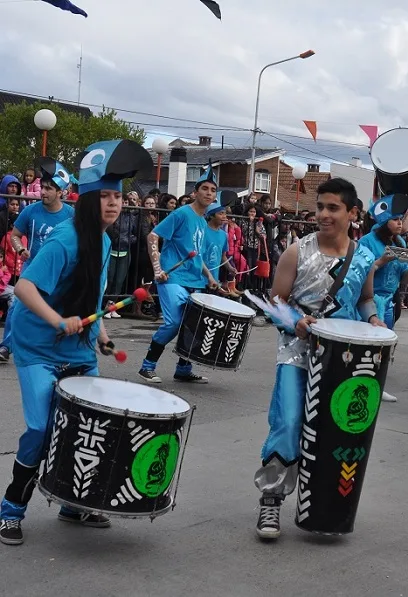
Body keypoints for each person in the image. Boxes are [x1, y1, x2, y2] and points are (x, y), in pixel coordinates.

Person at [0, 139, 152, 546]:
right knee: (40, 427)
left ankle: (72, 501)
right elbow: (25, 288)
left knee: (89, 424)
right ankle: (11, 509)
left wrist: (99, 333)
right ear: (85, 202)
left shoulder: (103, 242)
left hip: (78, 347)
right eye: (103, 197)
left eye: (116, 198)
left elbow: (90, 295)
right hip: (36, 346)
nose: (112, 204)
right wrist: (57, 320)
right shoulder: (64, 240)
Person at [253, 178, 383, 541]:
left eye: (333, 208)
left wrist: (373, 320)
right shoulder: (296, 251)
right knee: (289, 422)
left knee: (333, 430)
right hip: (296, 353)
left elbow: (364, 299)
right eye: (320, 207)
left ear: (352, 213)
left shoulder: (364, 256)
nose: (323, 215)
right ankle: (271, 499)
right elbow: (275, 303)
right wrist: (298, 322)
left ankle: (323, 506)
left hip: (343, 360)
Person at [137, 163, 218, 384]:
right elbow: (153, 236)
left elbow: (196, 255)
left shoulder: (202, 221)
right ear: (195, 192)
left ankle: (183, 369)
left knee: (192, 325)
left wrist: (209, 277)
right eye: (205, 189)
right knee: (173, 323)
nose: (208, 193)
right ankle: (147, 367)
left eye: (212, 190)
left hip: (195, 280)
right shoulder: (182, 213)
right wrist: (157, 269)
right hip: (172, 278)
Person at [0, 160, 76, 364]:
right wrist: (21, 249)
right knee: (16, 306)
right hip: (31, 269)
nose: (43, 192)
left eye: (49, 188)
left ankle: (58, 352)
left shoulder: (71, 215)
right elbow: (14, 236)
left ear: (60, 192)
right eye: (42, 187)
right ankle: (6, 347)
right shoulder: (30, 211)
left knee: (58, 309)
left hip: (59, 273)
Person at [358, 194, 408, 403]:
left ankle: (377, 384)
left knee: (386, 345)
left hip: (390, 300)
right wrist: (382, 260)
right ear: (384, 221)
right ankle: (362, 384)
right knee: (367, 346)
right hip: (370, 300)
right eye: (396, 219)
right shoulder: (367, 241)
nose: (400, 223)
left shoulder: (399, 241)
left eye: (401, 219)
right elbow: (362, 271)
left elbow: (404, 278)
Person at [200, 195, 236, 295]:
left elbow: (223, 256)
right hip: (199, 279)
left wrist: (230, 268)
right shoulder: (202, 231)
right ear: (211, 215)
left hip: (214, 280)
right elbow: (198, 256)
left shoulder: (224, 235)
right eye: (221, 213)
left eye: (225, 214)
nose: (224, 217)